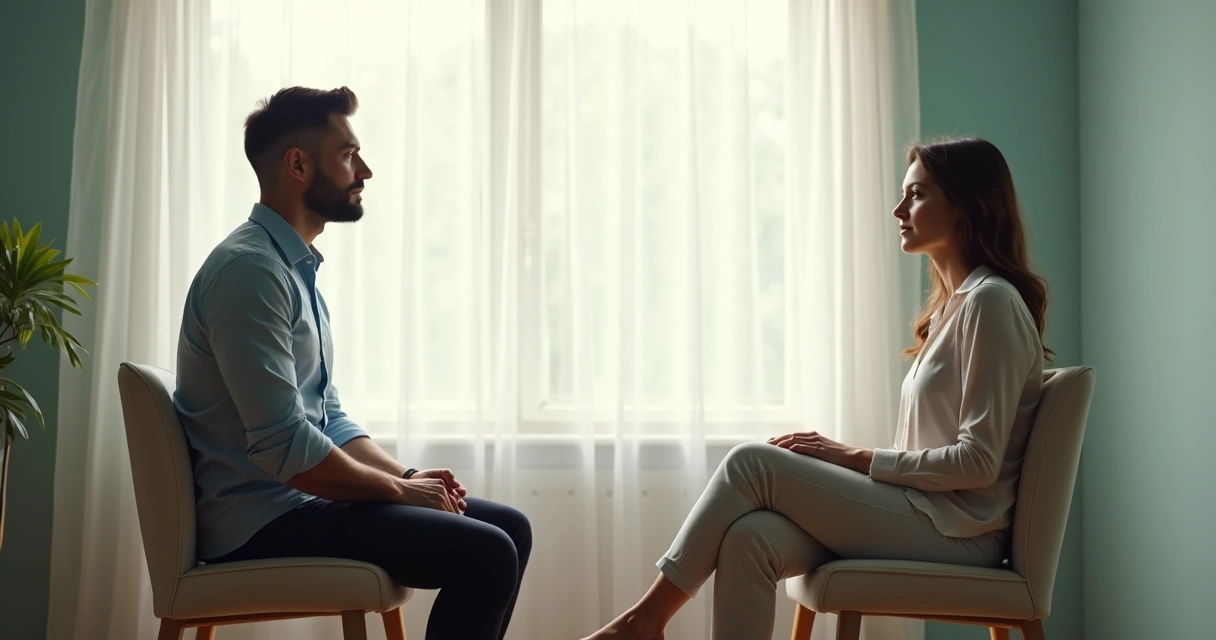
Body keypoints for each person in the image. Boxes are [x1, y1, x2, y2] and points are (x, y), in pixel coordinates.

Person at [582, 137, 1051, 640]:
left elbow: (976, 463)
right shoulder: (949, 312)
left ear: (965, 205)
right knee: (749, 537)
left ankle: (643, 622)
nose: (898, 209)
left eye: (916, 194)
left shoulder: (991, 304)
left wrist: (853, 457)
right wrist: (855, 463)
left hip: (960, 532)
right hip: (925, 514)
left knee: (752, 463)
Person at [174, 86, 531, 640]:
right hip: (261, 521)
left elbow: (328, 418)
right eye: (347, 154)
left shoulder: (291, 268)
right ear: (298, 164)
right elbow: (285, 446)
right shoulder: (249, 273)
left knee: (509, 527)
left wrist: (405, 476)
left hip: (297, 500)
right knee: (488, 551)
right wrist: (400, 492)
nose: (364, 170)